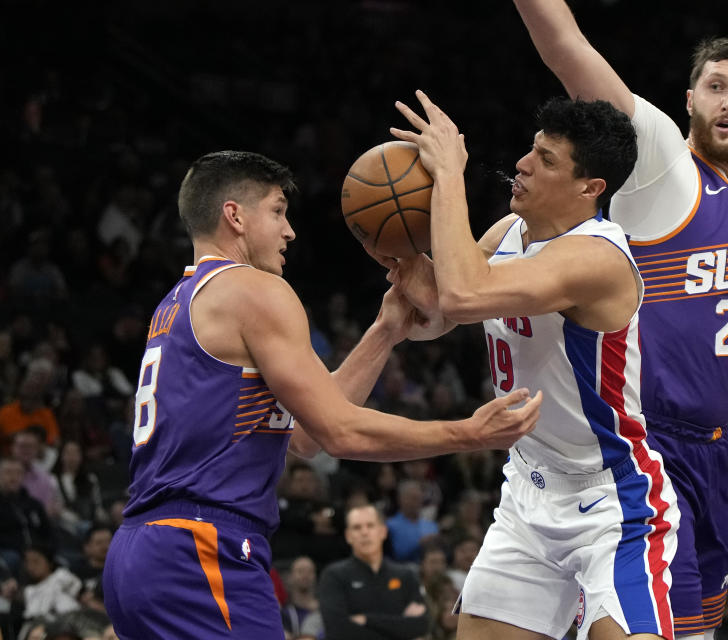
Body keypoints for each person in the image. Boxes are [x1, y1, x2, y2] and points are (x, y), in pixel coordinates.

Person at [101, 150, 542, 640]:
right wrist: (468, 433)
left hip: (140, 553)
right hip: (202, 550)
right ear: (235, 216)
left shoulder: (178, 302)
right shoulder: (253, 291)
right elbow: (338, 432)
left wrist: (384, 332)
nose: (289, 231)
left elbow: (306, 436)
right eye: (277, 211)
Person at [513, 4, 728, 637]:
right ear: (690, 98)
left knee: (697, 629)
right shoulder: (661, 165)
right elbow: (565, 46)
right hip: (642, 444)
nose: (727, 102)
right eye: (715, 86)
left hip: (712, 451)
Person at [386, 91, 678, 639]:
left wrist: (448, 173)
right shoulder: (509, 233)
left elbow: (466, 295)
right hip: (529, 487)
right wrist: (404, 263)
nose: (522, 164)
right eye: (532, 150)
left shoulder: (599, 257)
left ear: (590, 188)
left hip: (612, 502)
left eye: (546, 161)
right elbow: (442, 314)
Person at [319, 504, 429, 640]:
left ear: (383, 531)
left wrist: (367, 620)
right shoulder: (333, 575)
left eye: (370, 526)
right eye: (357, 527)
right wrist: (400, 626)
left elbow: (421, 625)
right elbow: (338, 631)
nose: (364, 532)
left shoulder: (405, 575)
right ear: (348, 536)